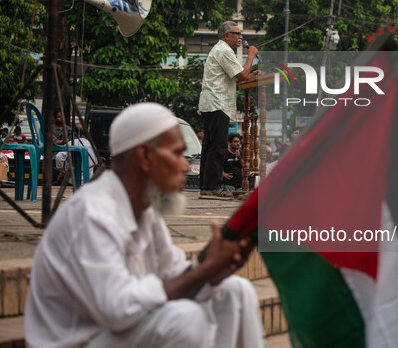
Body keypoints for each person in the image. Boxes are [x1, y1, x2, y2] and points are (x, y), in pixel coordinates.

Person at [25, 103, 264, 347]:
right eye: (177, 153)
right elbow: (118, 310)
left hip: (120, 331)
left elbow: (175, 274)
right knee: (185, 320)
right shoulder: (92, 213)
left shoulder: (146, 213)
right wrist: (204, 269)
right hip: (82, 339)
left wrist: (215, 269)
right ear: (145, 156)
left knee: (235, 291)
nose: (184, 166)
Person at [198, 21, 259, 199]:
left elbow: (238, 77)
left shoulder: (220, 49)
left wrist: (249, 73)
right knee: (218, 147)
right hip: (218, 104)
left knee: (210, 147)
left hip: (211, 104)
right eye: (237, 33)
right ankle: (211, 187)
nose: (241, 37)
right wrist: (251, 56)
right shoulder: (224, 50)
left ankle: (207, 186)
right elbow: (241, 75)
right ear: (226, 35)